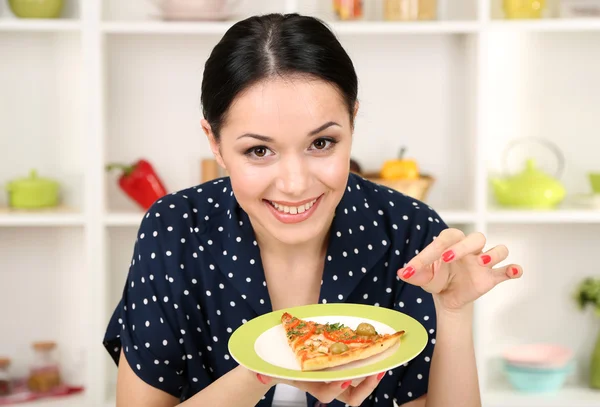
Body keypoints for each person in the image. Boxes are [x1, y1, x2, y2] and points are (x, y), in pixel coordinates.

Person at [103, 12, 522, 407]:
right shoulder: (174, 229)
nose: (295, 183)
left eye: (321, 143)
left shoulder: (410, 231)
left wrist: (454, 312)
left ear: (352, 123)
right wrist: (266, 371)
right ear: (214, 143)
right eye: (259, 150)